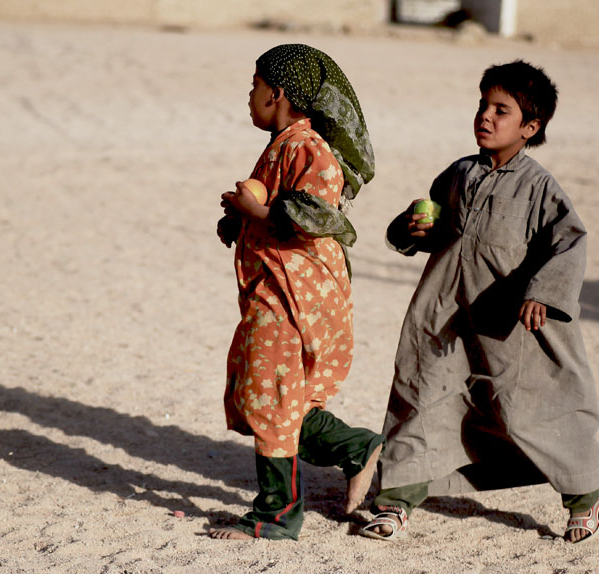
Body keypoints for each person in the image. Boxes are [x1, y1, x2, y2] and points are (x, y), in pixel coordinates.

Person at [362, 60, 599, 544]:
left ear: (530, 128)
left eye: (502, 110)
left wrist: (543, 292)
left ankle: (585, 495)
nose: (486, 117)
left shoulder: (539, 187)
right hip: (444, 316)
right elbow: (429, 227)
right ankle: (396, 500)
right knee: (422, 396)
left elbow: (569, 242)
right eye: (482, 105)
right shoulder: (458, 174)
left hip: (509, 324)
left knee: (529, 409)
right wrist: (413, 228)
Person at [211, 44, 384, 541]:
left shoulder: (308, 148)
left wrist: (260, 214)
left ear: (278, 92)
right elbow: (278, 203)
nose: (249, 95)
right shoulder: (282, 144)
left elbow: (318, 214)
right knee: (272, 395)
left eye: (255, 84)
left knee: (268, 396)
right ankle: (357, 449)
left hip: (294, 295)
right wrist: (240, 221)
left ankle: (278, 514)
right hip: (276, 287)